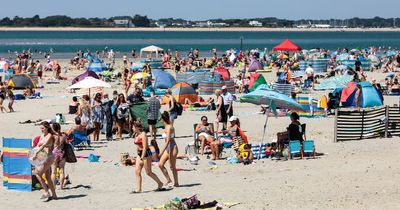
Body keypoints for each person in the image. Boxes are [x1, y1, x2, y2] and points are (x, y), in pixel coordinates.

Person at [131, 119, 164, 193]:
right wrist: (138, 155)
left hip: (146, 154)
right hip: (140, 154)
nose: (132, 128)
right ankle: (138, 189)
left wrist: (142, 157)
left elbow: (145, 147)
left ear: (136, 127)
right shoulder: (136, 134)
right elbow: (138, 145)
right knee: (137, 171)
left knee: (148, 172)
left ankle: (160, 183)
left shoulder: (143, 135)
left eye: (133, 127)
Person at [34, 121, 57, 201]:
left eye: (43, 128)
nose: (41, 129)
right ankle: (54, 195)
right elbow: (37, 146)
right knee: (47, 177)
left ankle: (46, 191)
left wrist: (35, 153)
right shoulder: (42, 135)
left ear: (47, 128)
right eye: (41, 128)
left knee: (37, 174)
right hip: (43, 157)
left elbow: (43, 145)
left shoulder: (50, 135)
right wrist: (32, 152)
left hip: (49, 157)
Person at [158, 111, 179, 188]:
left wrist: (160, 153)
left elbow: (167, 141)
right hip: (168, 148)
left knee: (172, 167)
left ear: (163, 119)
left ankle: (176, 183)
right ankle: (168, 179)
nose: (160, 120)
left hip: (172, 148)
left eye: (161, 119)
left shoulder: (169, 127)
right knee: (160, 164)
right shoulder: (166, 127)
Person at [51, 123, 68, 190]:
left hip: (54, 153)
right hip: (62, 153)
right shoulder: (63, 135)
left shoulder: (52, 136)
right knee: (62, 171)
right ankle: (61, 186)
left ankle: (54, 186)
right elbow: (66, 143)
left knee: (53, 172)